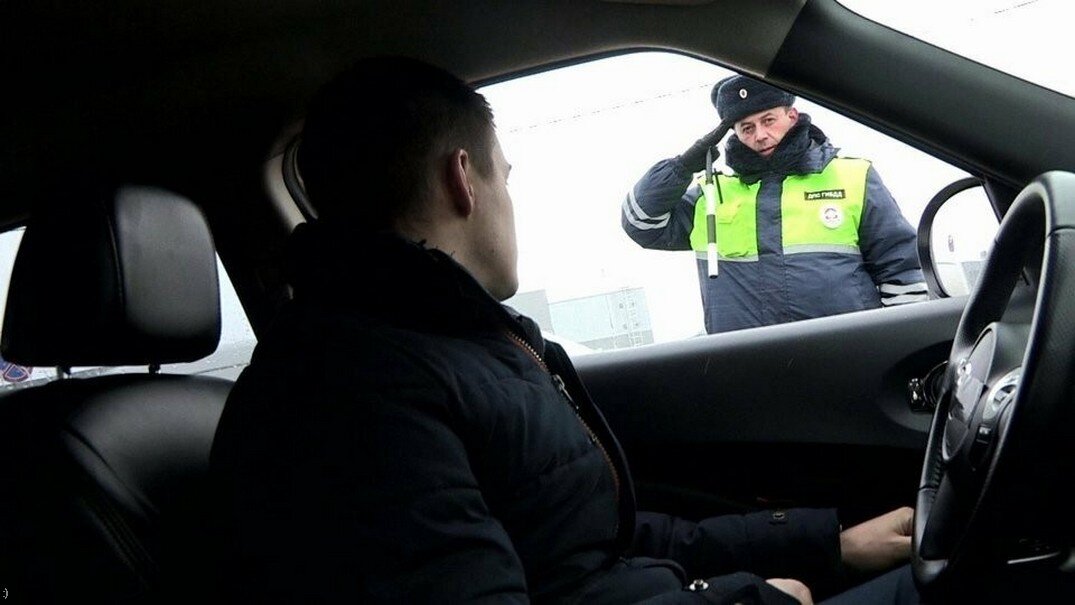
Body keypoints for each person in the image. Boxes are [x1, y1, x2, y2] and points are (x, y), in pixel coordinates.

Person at [210, 56, 918, 604]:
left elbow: (599, 538)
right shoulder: (360, 393)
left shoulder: (467, 348)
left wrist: (823, 544)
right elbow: (643, 219)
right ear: (464, 180)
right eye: (506, 176)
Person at [621, 75, 928, 334]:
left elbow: (902, 270)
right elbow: (639, 223)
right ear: (734, 134)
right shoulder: (711, 195)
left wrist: (899, 345)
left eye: (768, 120)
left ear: (791, 116)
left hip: (848, 361)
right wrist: (681, 167)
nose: (760, 135)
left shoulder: (854, 176)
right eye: (747, 128)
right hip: (748, 370)